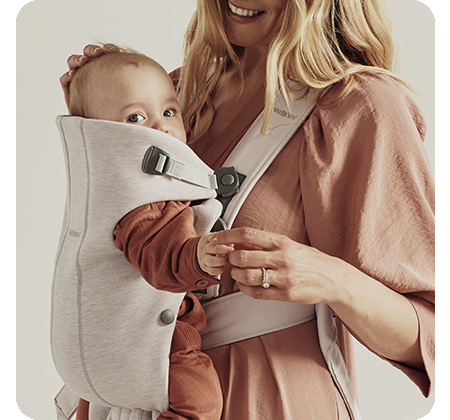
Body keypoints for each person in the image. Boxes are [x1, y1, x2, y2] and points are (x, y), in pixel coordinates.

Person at [61, 1, 435, 419]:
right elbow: (121, 234)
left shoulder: (358, 105)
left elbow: (430, 335)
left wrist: (332, 279)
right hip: (129, 391)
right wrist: (94, 118)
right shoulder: (180, 92)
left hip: (264, 398)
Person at [67, 44, 231, 420]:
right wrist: (197, 256)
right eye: (136, 118)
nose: (161, 127)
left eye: (170, 111)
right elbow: (160, 255)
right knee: (200, 403)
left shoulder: (98, 185)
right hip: (152, 342)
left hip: (97, 344)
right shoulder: (145, 198)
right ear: (104, 134)